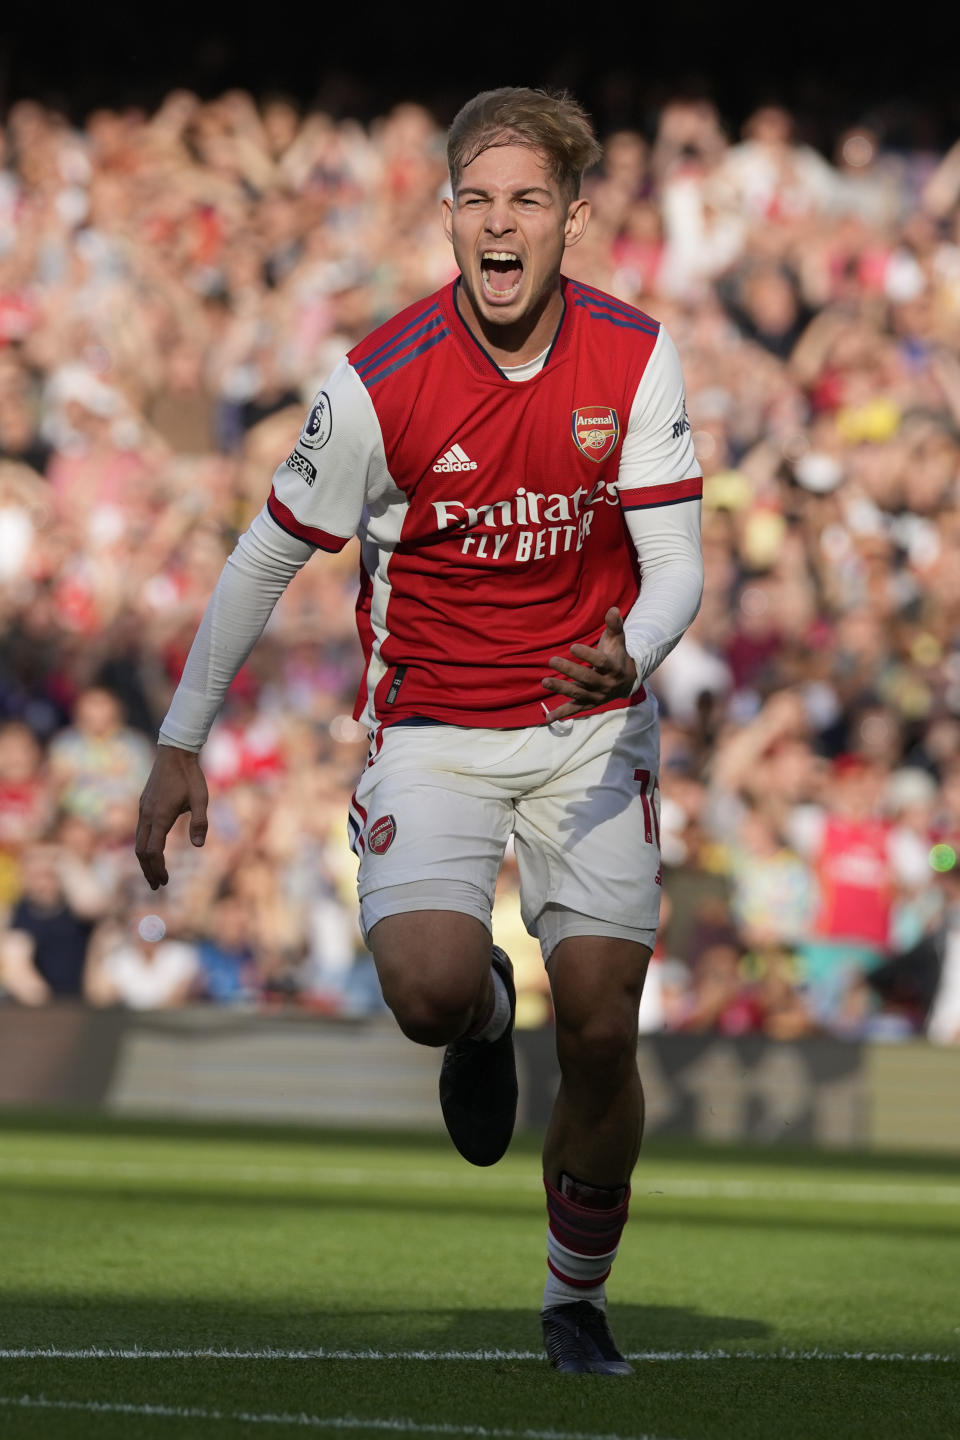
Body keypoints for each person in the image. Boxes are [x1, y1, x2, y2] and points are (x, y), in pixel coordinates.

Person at [135, 87, 703, 1375]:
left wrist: (638, 649)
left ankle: (575, 1300)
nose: (501, 227)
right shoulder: (381, 382)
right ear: (448, 219)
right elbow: (262, 561)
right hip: (435, 725)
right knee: (431, 990)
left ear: (574, 220)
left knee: (608, 1025)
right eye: (478, 201)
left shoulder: (636, 354)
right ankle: (487, 1018)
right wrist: (182, 739)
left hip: (590, 721)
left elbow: (677, 566)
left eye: (529, 201)